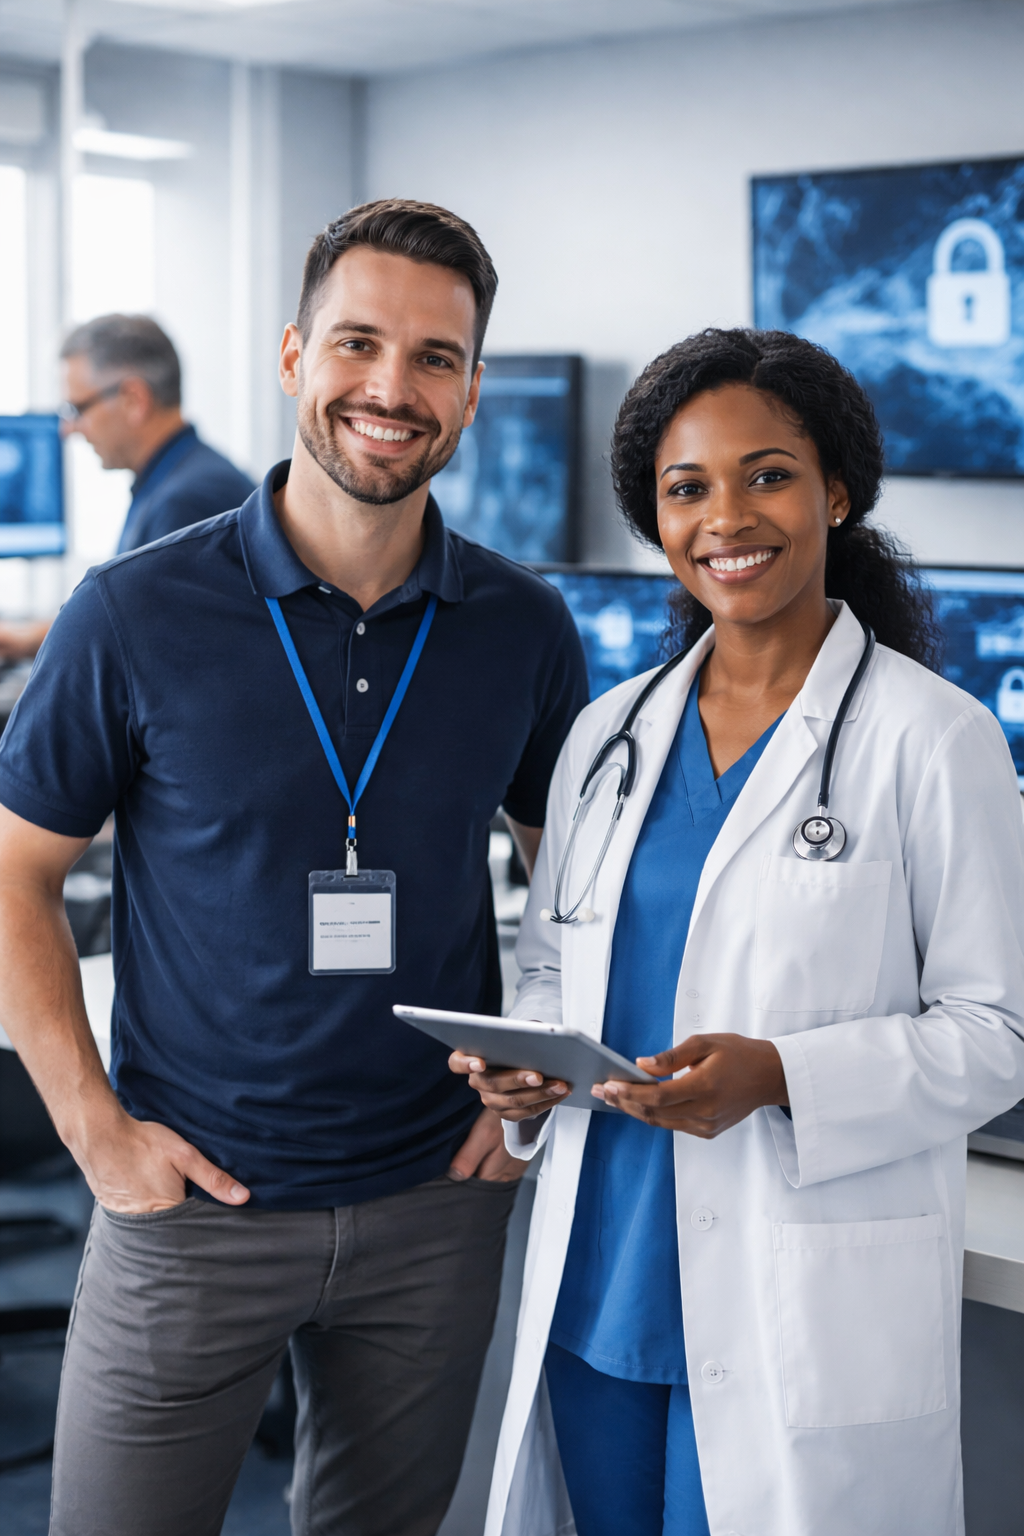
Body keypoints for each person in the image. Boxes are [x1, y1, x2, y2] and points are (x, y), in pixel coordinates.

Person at [0, 199, 588, 1536]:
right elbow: (14, 875)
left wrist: (531, 1091)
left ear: (472, 390)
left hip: (434, 1203)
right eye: (357, 343)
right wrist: (96, 1136)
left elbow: (574, 879)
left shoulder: (522, 624)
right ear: (291, 356)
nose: (392, 388)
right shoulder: (133, 611)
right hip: (192, 1204)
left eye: (435, 357)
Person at [453, 329, 1024, 1536]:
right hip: (604, 1278)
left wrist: (781, 1076)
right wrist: (525, 1068)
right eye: (686, 488)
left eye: (767, 475)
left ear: (836, 492)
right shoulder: (608, 738)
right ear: (654, 518)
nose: (726, 518)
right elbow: (555, 963)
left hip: (799, 1302)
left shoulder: (934, 739)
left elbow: (997, 1032)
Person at [0, 314, 255, 661]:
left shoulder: (184, 504)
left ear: (134, 399)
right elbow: (133, 613)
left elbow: (135, 643)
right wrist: (30, 638)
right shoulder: (185, 478)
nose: (68, 428)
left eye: (77, 409)